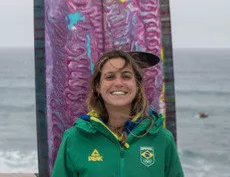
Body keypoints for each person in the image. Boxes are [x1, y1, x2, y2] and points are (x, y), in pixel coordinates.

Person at [51, 50, 184, 177]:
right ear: (98, 87)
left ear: (137, 86)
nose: (119, 83)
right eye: (110, 77)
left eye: (126, 76)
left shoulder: (162, 139)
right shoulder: (74, 138)